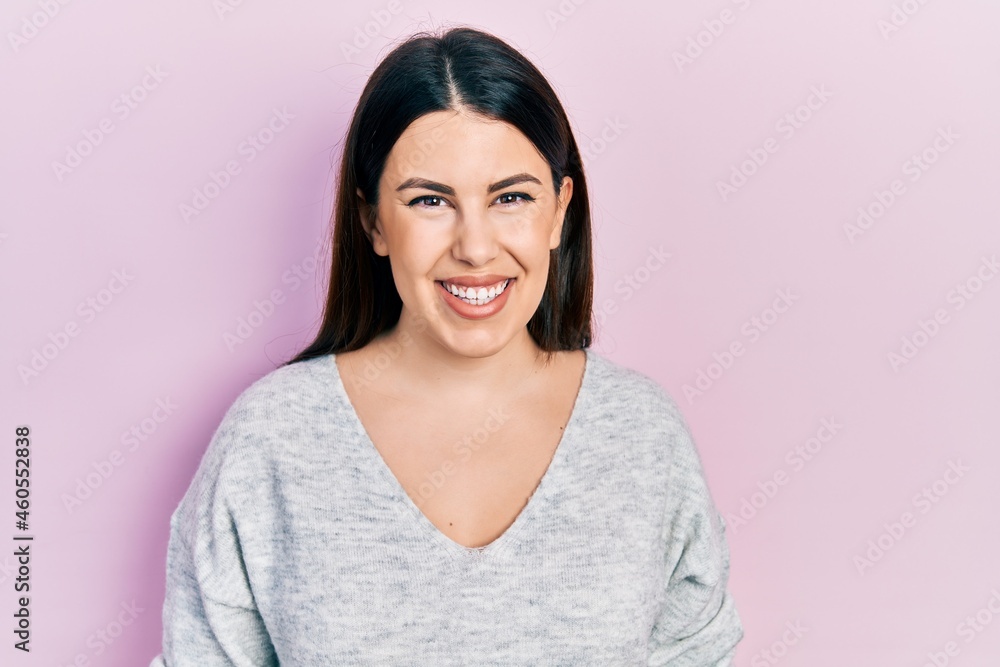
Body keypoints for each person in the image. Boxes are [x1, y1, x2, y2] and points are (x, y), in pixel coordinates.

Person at [149, 24, 744, 666]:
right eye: (431, 201)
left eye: (511, 197)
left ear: (559, 211)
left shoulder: (643, 437)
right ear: (374, 221)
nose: (476, 248)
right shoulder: (271, 441)